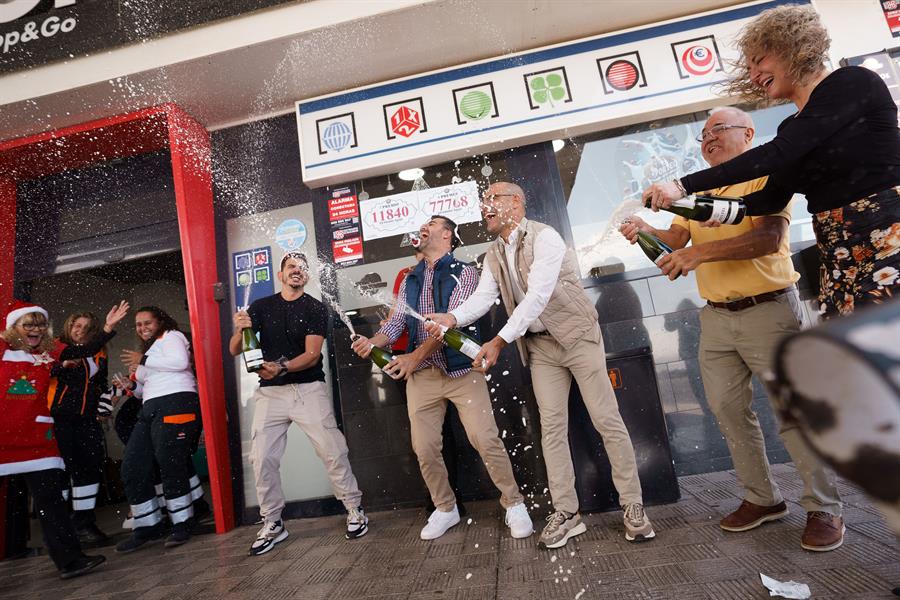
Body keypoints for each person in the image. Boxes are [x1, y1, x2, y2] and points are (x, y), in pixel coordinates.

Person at [621, 107, 845, 551]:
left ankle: (825, 508)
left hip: (769, 310)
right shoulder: (700, 186)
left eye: (718, 130)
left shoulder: (765, 176)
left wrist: (701, 257)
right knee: (725, 410)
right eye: (703, 134)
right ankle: (763, 499)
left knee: (792, 412)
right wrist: (646, 229)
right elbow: (677, 241)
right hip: (717, 317)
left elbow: (769, 239)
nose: (708, 139)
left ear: (748, 132)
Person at [425, 183, 655, 549]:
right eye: (483, 201)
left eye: (492, 199)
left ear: (516, 202)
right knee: (551, 428)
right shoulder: (493, 254)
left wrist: (499, 340)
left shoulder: (545, 237)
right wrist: (452, 318)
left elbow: (537, 296)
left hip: (578, 336)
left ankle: (633, 506)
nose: (485, 206)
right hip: (540, 346)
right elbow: (485, 297)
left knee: (606, 420)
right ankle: (567, 513)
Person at [643, 4, 900, 319]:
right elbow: (769, 197)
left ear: (791, 46)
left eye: (759, 60)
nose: (753, 75)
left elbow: (777, 153)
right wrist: (710, 211)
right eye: (749, 68)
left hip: (888, 231)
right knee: (858, 350)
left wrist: (681, 185)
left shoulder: (853, 82)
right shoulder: (790, 127)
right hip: (838, 250)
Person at [352, 216, 532, 541]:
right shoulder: (409, 279)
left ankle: (514, 503)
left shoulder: (464, 273)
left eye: (432, 223)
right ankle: (445, 508)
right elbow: (395, 326)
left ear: (447, 235)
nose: (424, 226)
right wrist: (373, 342)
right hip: (423, 378)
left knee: (485, 439)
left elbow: (447, 328)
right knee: (424, 447)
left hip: (462, 372)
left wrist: (412, 357)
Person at [231, 252, 367, 556]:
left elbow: (312, 355)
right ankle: (273, 522)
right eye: (291, 266)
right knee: (262, 458)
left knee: (332, 450)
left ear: (307, 276)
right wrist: (240, 328)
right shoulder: (260, 307)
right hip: (270, 394)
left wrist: (280, 366)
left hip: (307, 389)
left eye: (302, 268)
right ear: (281, 275)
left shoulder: (315, 308)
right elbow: (234, 349)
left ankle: (354, 509)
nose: (297, 271)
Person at [0, 299, 128, 579]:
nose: (35, 329)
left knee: (52, 501)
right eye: (28, 324)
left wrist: (106, 328)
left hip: (37, 439)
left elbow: (85, 350)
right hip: (2, 440)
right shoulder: (3, 349)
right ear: (13, 327)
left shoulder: (50, 352)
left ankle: (70, 560)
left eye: (40, 324)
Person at [115, 306, 206, 552]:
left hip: (176, 401)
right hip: (150, 407)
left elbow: (179, 363)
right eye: (138, 324)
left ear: (161, 321)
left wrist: (142, 360)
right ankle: (147, 526)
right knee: (133, 465)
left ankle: (182, 522)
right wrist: (130, 387)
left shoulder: (172, 336)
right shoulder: (150, 350)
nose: (142, 328)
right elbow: (145, 389)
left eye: (147, 323)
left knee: (170, 462)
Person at [386, 247, 467, 517]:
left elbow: (451, 320)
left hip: (449, 359)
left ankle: (453, 496)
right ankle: (438, 500)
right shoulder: (407, 276)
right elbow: (396, 319)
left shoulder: (456, 273)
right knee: (424, 438)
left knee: (451, 431)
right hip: (410, 360)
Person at [49, 311, 113, 546]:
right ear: (69, 326)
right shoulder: (57, 346)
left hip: (87, 419)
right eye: (77, 325)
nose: (80, 330)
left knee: (89, 468)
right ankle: (61, 528)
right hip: (60, 418)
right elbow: (43, 373)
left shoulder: (99, 351)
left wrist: (105, 404)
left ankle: (84, 524)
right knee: (63, 472)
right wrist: (61, 366)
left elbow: (100, 382)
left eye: (87, 327)